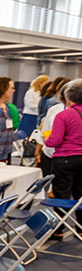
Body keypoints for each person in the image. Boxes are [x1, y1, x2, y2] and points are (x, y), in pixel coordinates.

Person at [45, 78, 82, 237]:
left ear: (68, 96)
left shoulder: (64, 114)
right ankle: (80, 228)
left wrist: (46, 140)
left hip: (65, 158)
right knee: (80, 194)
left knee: (61, 194)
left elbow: (55, 140)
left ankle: (58, 229)